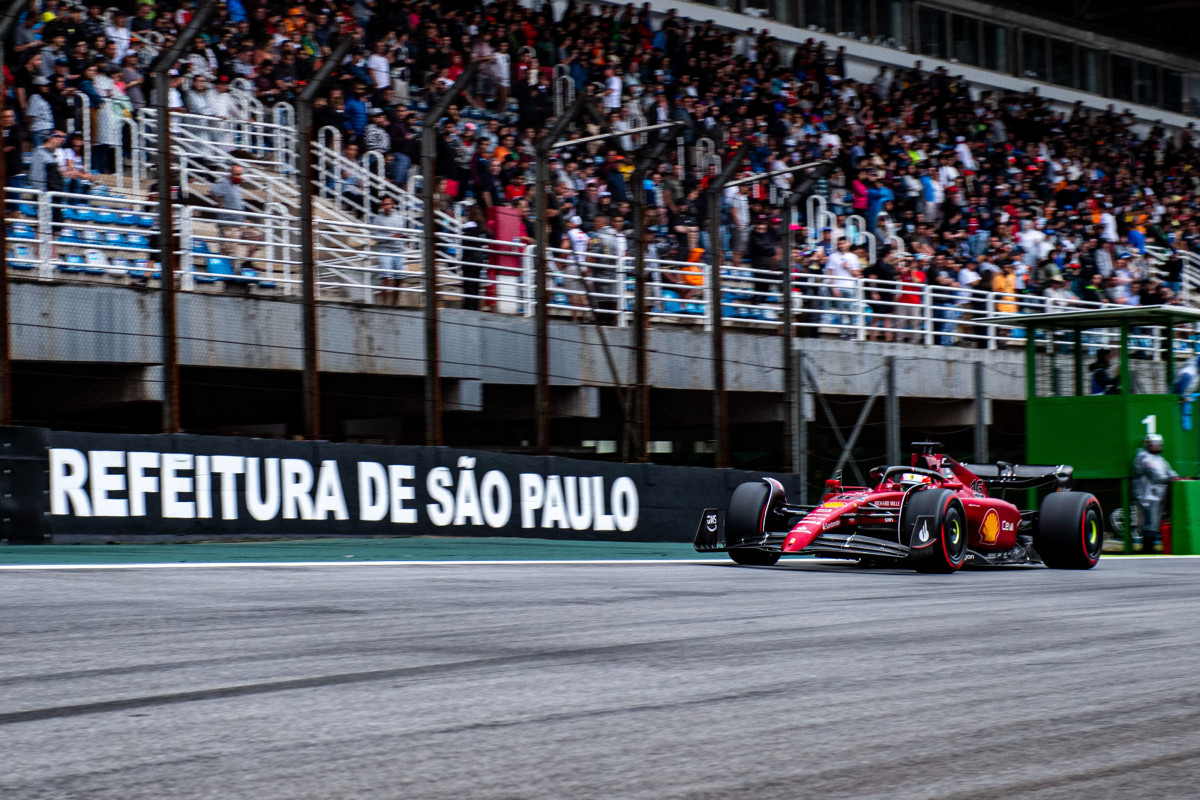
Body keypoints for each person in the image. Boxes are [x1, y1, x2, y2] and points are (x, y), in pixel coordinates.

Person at [1133, 433, 1178, 553]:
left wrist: (1176, 477)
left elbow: (1169, 471)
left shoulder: (1159, 459)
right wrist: (1169, 478)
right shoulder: (1143, 457)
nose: (1157, 446)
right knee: (1150, 523)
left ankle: (1151, 547)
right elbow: (1154, 474)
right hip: (1147, 496)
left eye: (1159, 444)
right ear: (1148, 444)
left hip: (1159, 495)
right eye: (1154, 444)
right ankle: (1147, 549)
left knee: (1156, 522)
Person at [370, 195, 407, 305]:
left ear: (392, 205)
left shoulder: (399, 218)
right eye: (384, 204)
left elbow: (405, 232)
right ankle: (384, 303)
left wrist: (401, 236)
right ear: (382, 206)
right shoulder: (378, 219)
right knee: (385, 277)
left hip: (398, 250)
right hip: (385, 250)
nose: (387, 206)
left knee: (399, 279)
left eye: (388, 204)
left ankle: (394, 303)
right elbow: (376, 236)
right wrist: (390, 237)